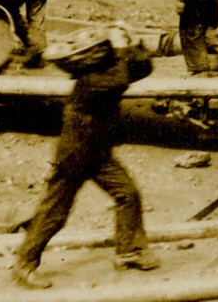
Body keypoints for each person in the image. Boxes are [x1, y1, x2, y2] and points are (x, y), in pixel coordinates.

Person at [10, 26, 159, 287]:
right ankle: (25, 263)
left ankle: (128, 251)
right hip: (76, 154)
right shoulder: (91, 80)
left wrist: (135, 46)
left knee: (128, 194)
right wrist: (122, 48)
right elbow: (122, 78)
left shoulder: (107, 69)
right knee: (55, 213)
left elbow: (142, 69)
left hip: (97, 150)